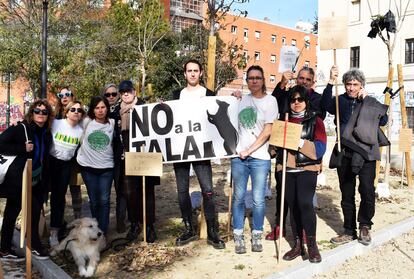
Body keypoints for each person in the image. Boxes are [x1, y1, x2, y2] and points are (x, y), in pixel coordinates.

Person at [266, 65, 337, 241]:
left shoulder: (317, 99)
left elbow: (328, 106)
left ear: (313, 82)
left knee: (304, 200)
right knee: (283, 195)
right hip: (285, 154)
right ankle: (279, 225)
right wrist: (282, 82)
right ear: (296, 79)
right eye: (301, 78)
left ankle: (304, 231)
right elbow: (274, 101)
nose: (304, 82)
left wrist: (330, 82)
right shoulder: (290, 95)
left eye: (308, 79)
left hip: (307, 158)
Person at [321, 68, 388, 246]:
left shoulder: (370, 101)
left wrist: (367, 100)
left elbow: (383, 120)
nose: (351, 88)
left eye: (355, 84)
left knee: (367, 191)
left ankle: (365, 226)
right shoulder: (339, 100)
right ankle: (349, 230)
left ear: (362, 86)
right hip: (345, 151)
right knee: (347, 193)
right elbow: (324, 105)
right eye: (348, 84)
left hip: (366, 153)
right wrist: (330, 81)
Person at [172, 59, 225, 249]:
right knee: (181, 191)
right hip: (180, 151)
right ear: (184, 73)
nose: (192, 74)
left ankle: (212, 232)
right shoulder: (176, 95)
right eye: (189, 71)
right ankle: (189, 229)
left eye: (196, 70)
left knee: (208, 191)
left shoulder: (208, 94)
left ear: (201, 73)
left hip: (202, 151)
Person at [276, 85, 326, 263]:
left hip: (307, 168)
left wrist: (299, 142)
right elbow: (273, 149)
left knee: (305, 203)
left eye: (300, 99)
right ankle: (298, 245)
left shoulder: (315, 120)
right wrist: (274, 145)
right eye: (292, 99)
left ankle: (312, 245)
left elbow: (320, 148)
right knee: (293, 206)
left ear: (306, 101)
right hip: (287, 169)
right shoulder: (283, 120)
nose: (296, 103)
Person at [232, 65, 278, 254]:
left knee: (258, 199)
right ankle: (238, 235)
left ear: (263, 80)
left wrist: (249, 150)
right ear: (247, 80)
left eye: (257, 77)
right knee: (238, 197)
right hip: (239, 158)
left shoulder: (271, 101)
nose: (254, 81)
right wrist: (231, 97)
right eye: (250, 78)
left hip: (259, 158)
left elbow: (268, 131)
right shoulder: (240, 100)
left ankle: (257, 233)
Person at [0, 100, 53, 260]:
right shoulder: (21, 128)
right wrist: (22, 148)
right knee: (21, 212)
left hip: (35, 178)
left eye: (45, 112)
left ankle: (9, 248)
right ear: (32, 113)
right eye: (38, 111)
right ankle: (27, 246)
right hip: (18, 179)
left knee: (24, 212)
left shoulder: (46, 133)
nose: (41, 114)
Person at [112, 80, 159, 242]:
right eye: (122, 92)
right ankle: (135, 224)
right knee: (130, 193)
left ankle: (150, 226)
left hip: (146, 154)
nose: (125, 94)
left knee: (148, 192)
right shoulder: (116, 111)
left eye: (128, 91)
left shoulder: (145, 107)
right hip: (126, 157)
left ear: (134, 92)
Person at [48, 101, 85, 247]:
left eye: (79, 110)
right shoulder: (56, 123)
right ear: (67, 112)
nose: (76, 112)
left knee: (58, 199)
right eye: (73, 109)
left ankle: (54, 233)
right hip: (50, 162)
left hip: (65, 165)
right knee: (41, 196)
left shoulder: (81, 130)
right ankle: (34, 230)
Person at [76, 96, 114, 234]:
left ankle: (102, 231)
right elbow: (71, 112)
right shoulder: (86, 122)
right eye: (97, 108)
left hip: (107, 169)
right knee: (94, 200)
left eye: (103, 107)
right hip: (88, 168)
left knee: (104, 200)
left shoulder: (113, 122)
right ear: (92, 110)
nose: (100, 111)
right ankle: (94, 229)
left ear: (107, 108)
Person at [102, 83, 127, 233]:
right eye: (108, 94)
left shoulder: (122, 110)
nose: (111, 97)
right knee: (103, 196)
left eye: (113, 94)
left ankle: (120, 220)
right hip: (103, 159)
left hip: (119, 157)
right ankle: (101, 224)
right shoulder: (100, 111)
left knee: (121, 191)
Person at [55, 86, 83, 221]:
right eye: (61, 95)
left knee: (75, 189)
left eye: (67, 94)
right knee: (59, 191)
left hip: (75, 160)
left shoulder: (79, 112)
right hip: (58, 160)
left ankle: (77, 218)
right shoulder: (55, 116)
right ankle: (59, 220)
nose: (64, 97)